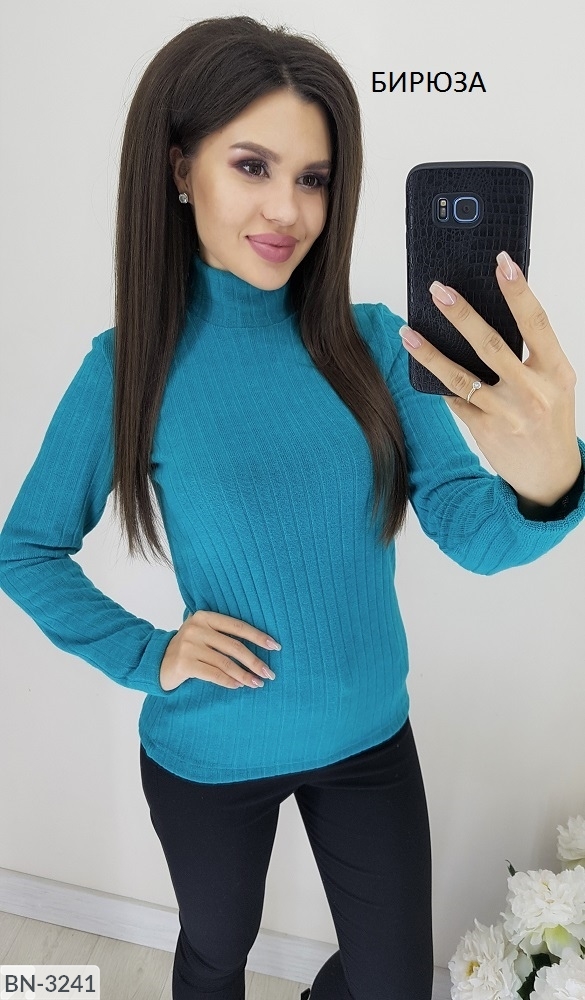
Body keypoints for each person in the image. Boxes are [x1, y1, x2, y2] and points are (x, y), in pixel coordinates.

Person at [0, 14, 584, 1000]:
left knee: (391, 982)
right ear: (180, 169)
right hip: (209, 753)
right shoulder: (127, 367)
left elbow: (469, 531)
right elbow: (26, 549)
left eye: (314, 177)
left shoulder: (376, 343)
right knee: (217, 952)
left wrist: (551, 481)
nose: (288, 209)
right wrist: (151, 654)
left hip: (369, 738)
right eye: (252, 166)